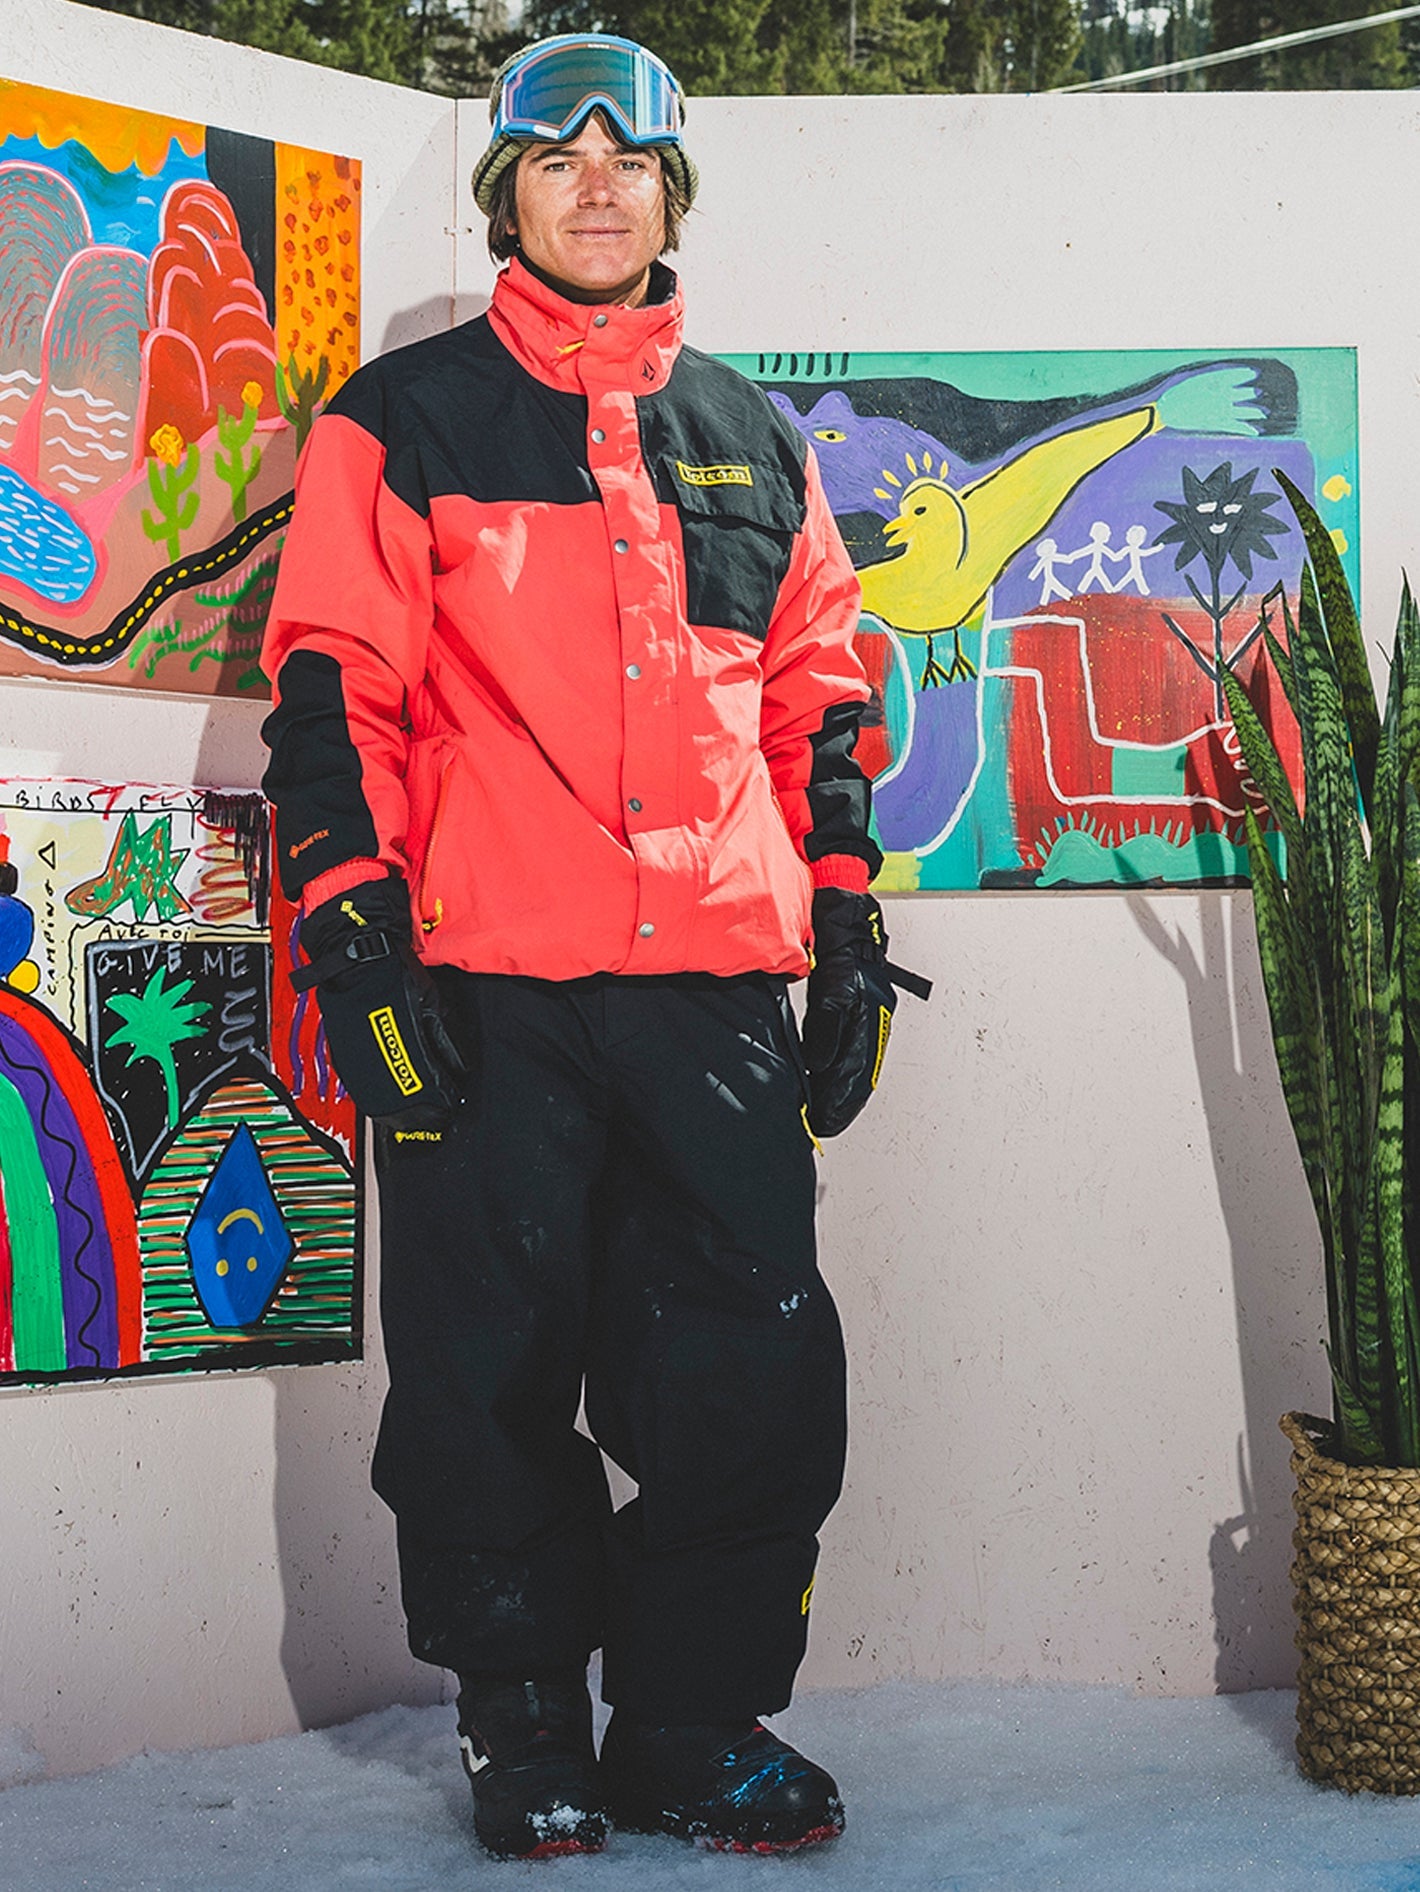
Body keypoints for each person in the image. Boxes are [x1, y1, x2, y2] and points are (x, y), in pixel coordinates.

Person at [260, 32, 924, 1862]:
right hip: (490, 986)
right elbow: (331, 688)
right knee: (485, 1372)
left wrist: (844, 919)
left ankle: (693, 1727)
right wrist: (354, 937)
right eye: (557, 160)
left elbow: (819, 700)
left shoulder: (753, 439)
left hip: (711, 988)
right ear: (509, 196)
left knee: (751, 1370)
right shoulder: (404, 420)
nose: (598, 183)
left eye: (630, 158)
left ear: (672, 191)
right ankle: (526, 1725)